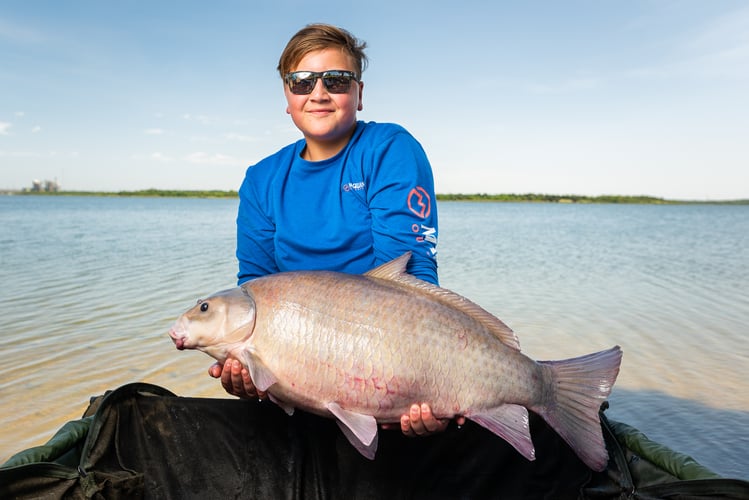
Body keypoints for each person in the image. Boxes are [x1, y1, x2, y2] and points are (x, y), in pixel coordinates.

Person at [208, 23, 464, 436]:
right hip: (300, 376)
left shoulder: (389, 149)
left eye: (337, 80)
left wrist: (424, 384)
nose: (319, 92)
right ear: (287, 98)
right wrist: (248, 370)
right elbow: (255, 289)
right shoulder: (261, 179)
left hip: (389, 358)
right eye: (302, 81)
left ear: (359, 94)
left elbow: (410, 281)